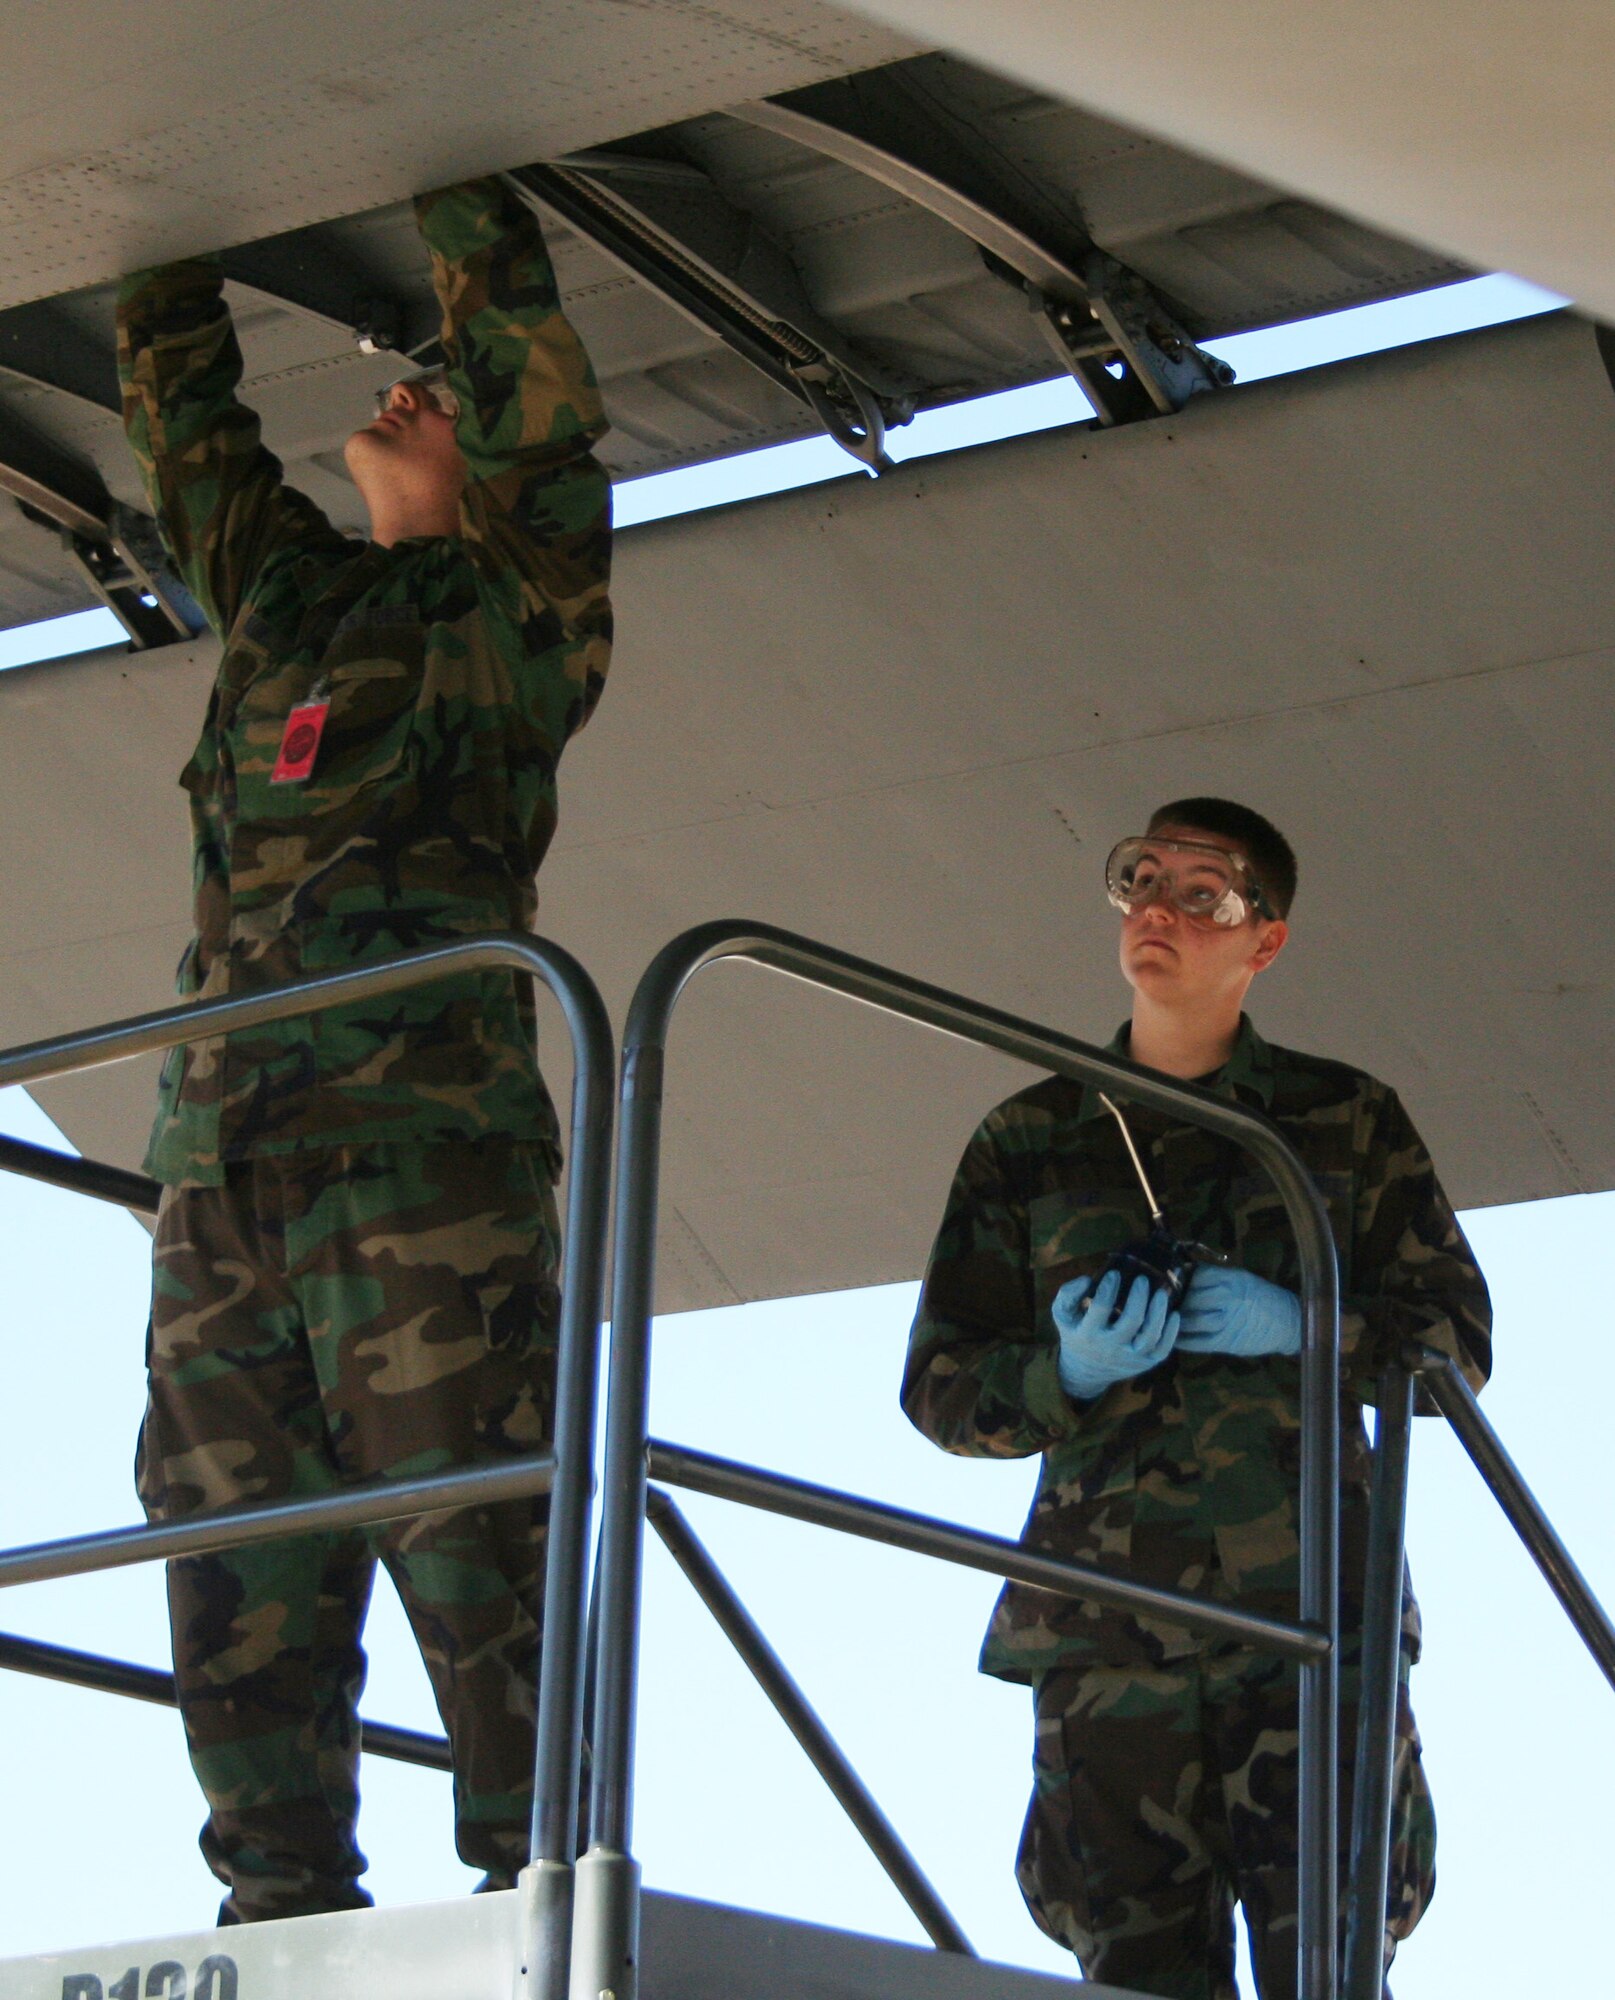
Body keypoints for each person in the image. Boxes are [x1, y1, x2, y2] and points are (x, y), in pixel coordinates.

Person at [117, 176, 612, 1922]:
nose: (407, 391)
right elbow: (190, 439)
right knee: (230, 1561)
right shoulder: (288, 606)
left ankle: (534, 1909)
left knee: (483, 1554)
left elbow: (544, 424)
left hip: (424, 1167)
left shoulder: (516, 620)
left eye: (439, 389)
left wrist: (459, 183)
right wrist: (151, 191)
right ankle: (277, 1917)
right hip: (220, 1179)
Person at [902, 798, 1491, 2000]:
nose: (1160, 910)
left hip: (1311, 1615)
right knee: (1130, 1971)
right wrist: (1058, 1372)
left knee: (1329, 1961)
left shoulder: (1343, 1118)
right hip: (1108, 1631)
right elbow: (942, 1389)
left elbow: (1454, 1345)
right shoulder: (1029, 1137)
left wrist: (1312, 1326)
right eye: (1140, 878)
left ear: (1261, 939)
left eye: (1203, 893)